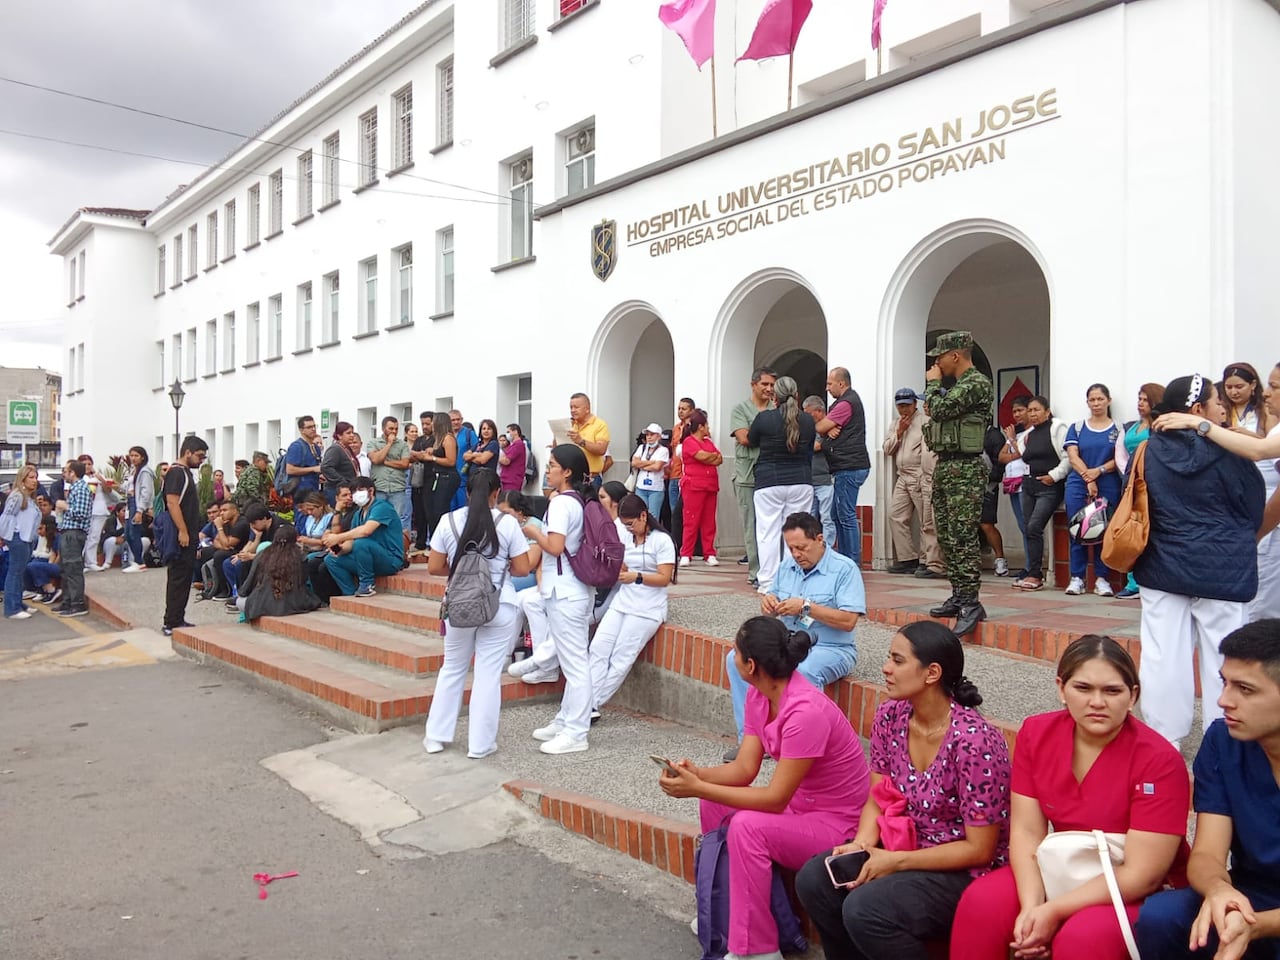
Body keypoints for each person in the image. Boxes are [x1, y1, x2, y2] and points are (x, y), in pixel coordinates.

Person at [950, 635, 1191, 960]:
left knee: (1083, 938)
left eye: (1112, 691)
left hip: (1135, 887)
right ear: (1061, 688)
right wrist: (1034, 906)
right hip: (1065, 867)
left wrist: (1053, 911)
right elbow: (1026, 832)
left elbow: (1143, 874)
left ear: (1133, 695)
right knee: (982, 904)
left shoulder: (1159, 760)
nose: (1097, 702)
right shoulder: (1037, 733)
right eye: (1083, 688)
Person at [795, 621, 1012, 960]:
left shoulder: (975, 740)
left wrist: (895, 862)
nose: (886, 668)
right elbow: (878, 796)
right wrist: (863, 843)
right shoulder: (890, 716)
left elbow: (980, 849)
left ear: (932, 673)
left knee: (865, 908)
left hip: (962, 871)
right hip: (904, 849)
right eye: (888, 658)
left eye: (898, 660)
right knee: (816, 879)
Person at [660, 616, 871, 960]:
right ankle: (723, 911)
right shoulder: (761, 696)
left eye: (736, 652)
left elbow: (774, 799)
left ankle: (758, 949)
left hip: (839, 826)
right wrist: (698, 775)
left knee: (747, 827)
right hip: (801, 809)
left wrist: (698, 787)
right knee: (714, 806)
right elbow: (744, 769)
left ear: (751, 664)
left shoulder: (805, 711)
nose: (732, 657)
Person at [1134, 619, 1280, 960]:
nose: (1224, 700)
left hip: (1258, 915)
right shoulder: (1222, 740)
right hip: (1249, 894)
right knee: (1162, 917)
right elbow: (1207, 855)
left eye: (1245, 689)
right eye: (1224, 683)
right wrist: (1219, 893)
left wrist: (1255, 925)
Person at [1137, 374, 1265, 747]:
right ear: (1197, 410)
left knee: (1163, 656)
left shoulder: (1150, 449)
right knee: (1223, 656)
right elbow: (1253, 505)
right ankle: (1223, 740)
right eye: (1216, 401)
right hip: (1223, 568)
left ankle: (1164, 743)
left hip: (1163, 564)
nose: (1223, 407)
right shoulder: (1230, 450)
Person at [726, 512, 864, 753]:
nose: (796, 554)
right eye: (791, 548)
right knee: (736, 660)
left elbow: (849, 620)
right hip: (788, 641)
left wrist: (807, 607)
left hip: (831, 648)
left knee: (804, 671)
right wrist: (769, 603)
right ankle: (751, 741)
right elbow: (774, 602)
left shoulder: (845, 569)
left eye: (801, 547)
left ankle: (802, 745)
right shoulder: (788, 565)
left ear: (820, 539)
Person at [423, 469, 533, 759]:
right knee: (487, 674)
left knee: (453, 668)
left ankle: (436, 736)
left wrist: (462, 572)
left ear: (467, 493)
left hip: (458, 603)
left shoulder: (448, 521)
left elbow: (434, 567)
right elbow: (523, 568)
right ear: (496, 494)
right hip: (499, 603)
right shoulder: (507, 523)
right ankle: (480, 745)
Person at [519, 443, 595, 755]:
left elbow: (555, 546)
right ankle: (566, 720)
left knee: (576, 664)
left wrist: (533, 532)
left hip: (566, 590)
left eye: (552, 465)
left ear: (566, 472)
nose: (547, 470)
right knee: (571, 661)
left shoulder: (564, 503)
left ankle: (577, 732)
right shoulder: (570, 500)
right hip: (565, 588)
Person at [923, 331, 996, 636]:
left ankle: (971, 602)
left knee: (963, 535)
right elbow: (936, 410)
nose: (936, 363)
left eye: (940, 357)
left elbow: (937, 409)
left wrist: (933, 384)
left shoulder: (976, 383)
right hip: (948, 464)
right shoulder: (957, 387)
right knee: (948, 535)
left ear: (955, 355)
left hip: (965, 468)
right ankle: (959, 593)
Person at [589, 494, 676, 717]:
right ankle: (584, 699)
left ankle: (593, 703)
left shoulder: (661, 540)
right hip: (623, 601)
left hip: (648, 608)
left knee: (621, 656)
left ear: (644, 516)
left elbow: (664, 578)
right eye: (625, 524)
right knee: (598, 648)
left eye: (631, 524)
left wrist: (637, 576)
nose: (628, 529)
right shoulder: (626, 535)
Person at [749, 376, 817, 594]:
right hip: (801, 480)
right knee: (798, 533)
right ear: (797, 396)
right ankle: (793, 581)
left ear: (774, 397)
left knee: (767, 533)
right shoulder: (807, 420)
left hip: (769, 481)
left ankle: (768, 582)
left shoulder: (764, 418)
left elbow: (751, 440)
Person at [1062, 384, 1122, 597]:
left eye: (1100, 399)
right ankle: (1077, 577)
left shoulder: (1118, 429)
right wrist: (1088, 476)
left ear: (1108, 400)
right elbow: (1073, 455)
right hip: (1078, 484)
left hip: (1108, 483)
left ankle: (1102, 578)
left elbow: (1119, 459)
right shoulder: (1077, 427)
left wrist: (1099, 471)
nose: (1096, 404)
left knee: (1102, 531)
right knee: (1077, 530)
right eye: (1092, 400)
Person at [813, 366, 873, 564]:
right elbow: (826, 429)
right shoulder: (844, 402)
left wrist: (825, 429)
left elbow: (820, 426)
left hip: (849, 467)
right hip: (846, 466)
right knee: (836, 514)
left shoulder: (846, 403)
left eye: (830, 384)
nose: (827, 388)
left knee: (845, 515)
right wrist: (828, 431)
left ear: (841, 383)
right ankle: (845, 558)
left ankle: (851, 561)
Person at [1014, 396, 1070, 592]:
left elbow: (1067, 457)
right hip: (1028, 486)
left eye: (1037, 410)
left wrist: (1053, 476)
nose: (1033, 414)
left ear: (1047, 411)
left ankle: (1035, 574)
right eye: (1030, 410)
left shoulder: (1057, 428)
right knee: (1028, 530)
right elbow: (1020, 454)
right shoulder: (1029, 434)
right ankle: (1032, 572)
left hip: (1049, 487)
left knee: (1035, 526)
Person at [321, 476, 405, 597]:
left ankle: (367, 585)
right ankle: (349, 593)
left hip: (390, 560)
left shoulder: (382, 507)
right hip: (368, 559)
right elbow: (350, 543)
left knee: (362, 543)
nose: (356, 494)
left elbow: (366, 531)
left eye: (359, 490)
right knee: (331, 560)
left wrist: (338, 537)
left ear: (371, 491)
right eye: (353, 492)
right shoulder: (358, 515)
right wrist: (337, 548)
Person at [731, 368, 777, 587]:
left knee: (773, 525)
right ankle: (756, 572)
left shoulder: (775, 408)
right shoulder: (740, 409)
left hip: (771, 473)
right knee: (752, 525)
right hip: (747, 474)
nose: (769, 389)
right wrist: (771, 435)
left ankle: (773, 571)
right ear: (753, 385)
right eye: (764, 384)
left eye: (771, 385)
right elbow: (744, 438)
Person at [162, 436, 209, 636]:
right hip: (181, 535)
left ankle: (177, 618)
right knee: (178, 578)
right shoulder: (177, 473)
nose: (201, 460)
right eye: (199, 456)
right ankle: (171, 621)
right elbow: (172, 503)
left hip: (188, 534)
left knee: (183, 578)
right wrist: (182, 530)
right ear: (187, 452)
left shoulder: (185, 473)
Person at [882, 387, 932, 575]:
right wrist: (899, 433)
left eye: (906, 405)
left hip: (919, 474)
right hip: (902, 475)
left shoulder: (925, 422)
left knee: (925, 520)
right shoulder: (895, 424)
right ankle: (907, 558)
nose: (903, 410)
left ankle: (926, 560)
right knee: (895, 515)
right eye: (900, 406)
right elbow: (887, 449)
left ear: (915, 404)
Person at [236, 523, 320, 621]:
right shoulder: (300, 556)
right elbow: (303, 580)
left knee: (240, 602)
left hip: (262, 603)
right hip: (293, 602)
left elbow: (250, 580)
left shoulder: (262, 554)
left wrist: (242, 593)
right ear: (295, 539)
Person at [679, 409, 722, 566]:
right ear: (701, 427)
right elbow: (702, 456)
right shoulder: (689, 442)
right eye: (706, 425)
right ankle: (686, 553)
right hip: (694, 486)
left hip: (710, 486)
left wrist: (707, 457)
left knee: (709, 521)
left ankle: (709, 553)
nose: (708, 428)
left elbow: (720, 459)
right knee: (691, 520)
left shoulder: (709, 442)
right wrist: (709, 457)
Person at [997, 395, 1032, 579]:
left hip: (1025, 484)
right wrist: (1011, 442)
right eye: (1014, 411)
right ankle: (1028, 565)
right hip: (1012, 484)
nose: (1016, 415)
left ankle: (1030, 566)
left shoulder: (1032, 432)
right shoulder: (1016, 434)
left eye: (1020, 410)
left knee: (1029, 526)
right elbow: (1001, 457)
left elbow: (1025, 454)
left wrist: (1011, 441)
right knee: (1022, 525)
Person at [2, 465, 42, 620]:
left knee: (19, 573)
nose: (35, 481)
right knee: (15, 572)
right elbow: (6, 517)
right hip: (17, 538)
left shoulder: (29, 497)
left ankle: (18, 604)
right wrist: (6, 537)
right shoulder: (17, 496)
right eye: (31, 477)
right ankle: (12, 608)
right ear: (23, 479)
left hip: (26, 538)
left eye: (35, 477)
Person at [54, 459, 92, 618]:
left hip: (74, 533)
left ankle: (77, 604)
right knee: (66, 568)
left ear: (73, 472)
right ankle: (68, 601)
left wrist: (65, 507)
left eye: (66, 470)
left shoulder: (81, 488)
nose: (64, 473)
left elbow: (81, 513)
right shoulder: (75, 488)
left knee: (73, 568)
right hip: (68, 531)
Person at [803, 396, 839, 548]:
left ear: (819, 411)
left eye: (808, 412)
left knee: (827, 517)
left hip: (825, 480)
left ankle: (828, 548)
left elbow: (816, 446)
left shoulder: (827, 426)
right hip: (809, 481)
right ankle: (810, 547)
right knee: (809, 517)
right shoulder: (811, 428)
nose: (805, 416)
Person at [368, 415, 412, 533]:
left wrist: (385, 461)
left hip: (397, 488)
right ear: (383, 428)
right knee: (378, 518)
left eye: (396, 429)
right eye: (391, 428)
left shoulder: (402, 445)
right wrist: (388, 445)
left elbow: (404, 464)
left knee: (397, 520)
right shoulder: (373, 443)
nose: (394, 431)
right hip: (380, 488)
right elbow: (376, 460)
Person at [423, 411, 460, 540]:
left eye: (433, 422)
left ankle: (444, 540)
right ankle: (436, 540)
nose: (431, 424)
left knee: (440, 510)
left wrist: (432, 458)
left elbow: (451, 461)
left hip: (447, 477)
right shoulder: (439, 439)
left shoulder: (448, 438)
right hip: (439, 477)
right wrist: (432, 451)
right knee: (433, 509)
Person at [666, 397, 695, 548]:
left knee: (684, 512)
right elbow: (673, 450)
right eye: (679, 408)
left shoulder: (695, 428)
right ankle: (677, 545)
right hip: (674, 474)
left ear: (691, 411)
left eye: (684, 409)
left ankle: (686, 546)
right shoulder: (676, 428)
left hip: (687, 476)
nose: (680, 411)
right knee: (674, 512)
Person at [567, 393, 610, 488]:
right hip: (572, 478)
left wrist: (581, 441)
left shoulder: (599, 424)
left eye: (576, 407)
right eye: (571, 407)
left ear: (587, 409)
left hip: (591, 479)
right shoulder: (571, 424)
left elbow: (601, 449)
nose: (572, 410)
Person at [123, 445, 156, 572]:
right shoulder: (133, 471)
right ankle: (137, 560)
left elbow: (146, 491)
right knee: (128, 533)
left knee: (134, 533)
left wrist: (140, 510)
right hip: (130, 501)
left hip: (137, 503)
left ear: (142, 457)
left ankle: (139, 561)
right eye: (131, 455)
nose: (133, 458)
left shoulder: (145, 472)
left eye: (136, 456)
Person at [1221, 362, 1272, 436]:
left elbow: (1272, 443)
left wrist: (1248, 435)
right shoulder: (1221, 408)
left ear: (1253, 385)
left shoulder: (1267, 409)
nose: (1234, 392)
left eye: (1239, 387)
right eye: (1229, 387)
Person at [630, 422, 670, 518]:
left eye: (652, 435)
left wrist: (642, 464)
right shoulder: (642, 448)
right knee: (640, 515)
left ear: (659, 436)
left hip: (656, 489)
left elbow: (657, 467)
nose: (649, 437)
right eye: (647, 435)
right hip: (641, 487)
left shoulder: (663, 450)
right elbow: (634, 463)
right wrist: (651, 462)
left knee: (653, 516)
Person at [24, 515, 62, 605]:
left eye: (41, 528)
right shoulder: (49, 538)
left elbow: (59, 556)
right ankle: (39, 590)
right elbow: (53, 554)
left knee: (34, 566)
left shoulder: (58, 537)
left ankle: (52, 591)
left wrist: (50, 567)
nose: (38, 532)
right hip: (53, 565)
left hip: (61, 567)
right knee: (30, 565)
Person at [320, 421, 360, 507]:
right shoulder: (335, 449)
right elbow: (326, 467)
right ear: (339, 436)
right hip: (337, 491)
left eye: (352, 432)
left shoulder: (346, 448)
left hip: (347, 489)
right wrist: (342, 481)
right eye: (348, 433)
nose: (352, 435)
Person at [284, 415, 325, 496]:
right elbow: (290, 470)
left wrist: (319, 476)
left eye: (314, 426)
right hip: (301, 491)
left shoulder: (316, 447)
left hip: (314, 489)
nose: (313, 429)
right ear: (301, 430)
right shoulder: (296, 446)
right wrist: (313, 469)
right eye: (309, 427)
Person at [498, 423, 528, 492]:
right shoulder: (512, 445)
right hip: (507, 480)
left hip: (512, 481)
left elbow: (506, 461)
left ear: (515, 432)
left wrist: (498, 457)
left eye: (508, 432)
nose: (507, 434)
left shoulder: (518, 445)